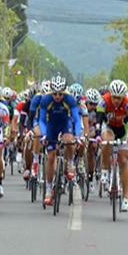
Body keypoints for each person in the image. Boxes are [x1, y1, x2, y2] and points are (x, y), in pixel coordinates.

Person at [39, 75, 81, 206]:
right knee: (51, 158)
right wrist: (44, 134)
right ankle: (49, 189)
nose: (57, 96)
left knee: (69, 140)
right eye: (55, 94)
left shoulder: (70, 100)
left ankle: (69, 163)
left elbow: (76, 119)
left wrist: (78, 135)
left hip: (65, 123)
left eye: (60, 94)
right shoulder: (46, 100)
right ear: (51, 91)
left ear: (64, 92)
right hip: (51, 125)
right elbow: (41, 120)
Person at [96, 79, 128, 211]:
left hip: (122, 130)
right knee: (107, 140)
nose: (116, 100)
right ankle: (104, 170)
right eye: (114, 97)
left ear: (123, 96)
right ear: (110, 95)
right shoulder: (104, 101)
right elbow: (99, 120)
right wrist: (97, 134)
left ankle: (125, 199)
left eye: (119, 98)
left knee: (124, 160)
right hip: (108, 127)